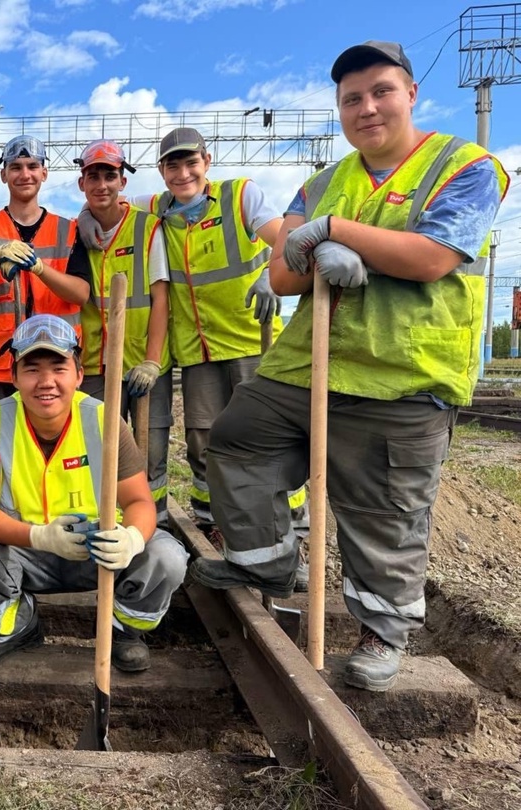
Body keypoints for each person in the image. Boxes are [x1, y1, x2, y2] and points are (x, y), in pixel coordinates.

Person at [189, 41, 508, 692]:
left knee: (385, 513)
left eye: (381, 92)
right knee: (237, 439)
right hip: (309, 362)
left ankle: (380, 633)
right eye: (352, 99)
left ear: (411, 94)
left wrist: (336, 231)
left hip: (405, 371)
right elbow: (281, 275)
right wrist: (312, 250)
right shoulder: (324, 178)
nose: (367, 107)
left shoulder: (464, 166)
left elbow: (432, 257)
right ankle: (266, 562)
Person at [81, 128, 309, 583]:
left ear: (207, 160)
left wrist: (274, 268)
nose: (182, 173)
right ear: (162, 172)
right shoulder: (160, 210)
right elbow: (112, 203)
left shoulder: (239, 195)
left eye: (190, 163)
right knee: (207, 444)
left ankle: (292, 539)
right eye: (172, 166)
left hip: (250, 340)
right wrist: (85, 217)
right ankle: (216, 527)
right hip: (198, 351)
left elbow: (281, 234)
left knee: (266, 443)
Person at [0, 315, 188, 671]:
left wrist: (132, 540)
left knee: (167, 556)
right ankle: (17, 627)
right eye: (31, 369)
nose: (46, 382)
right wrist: (40, 536)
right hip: (24, 553)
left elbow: (139, 501)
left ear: (78, 374)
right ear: (13, 377)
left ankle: (122, 627)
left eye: (58, 367)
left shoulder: (104, 420)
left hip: (97, 555)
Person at [66, 139, 173, 528]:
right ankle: (102, 527)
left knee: (151, 450)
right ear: (82, 183)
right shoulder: (79, 234)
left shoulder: (146, 228)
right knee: (96, 445)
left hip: (143, 362)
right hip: (95, 361)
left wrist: (152, 359)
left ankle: (152, 528)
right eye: (93, 176)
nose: (102, 184)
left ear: (122, 180)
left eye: (110, 175)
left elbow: (161, 297)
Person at [0, 135, 89, 418]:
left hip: (52, 362)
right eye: (16, 167)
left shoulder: (68, 230)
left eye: (32, 166)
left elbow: (81, 293)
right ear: (3, 174)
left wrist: (40, 268)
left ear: (44, 172)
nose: (25, 174)